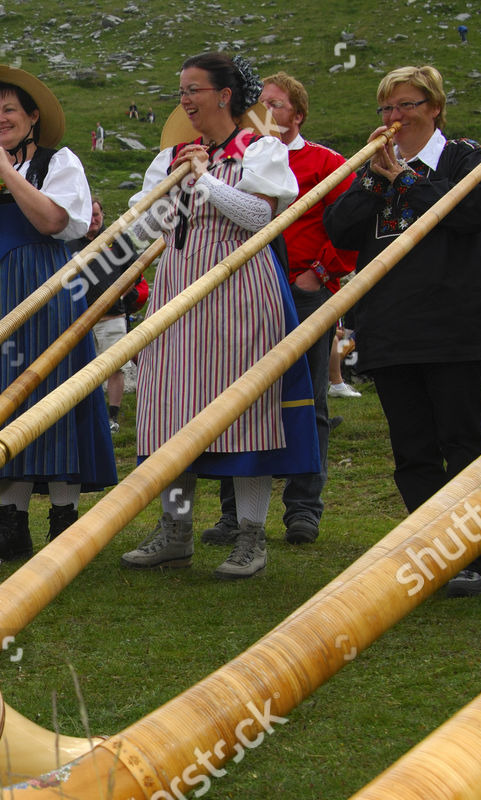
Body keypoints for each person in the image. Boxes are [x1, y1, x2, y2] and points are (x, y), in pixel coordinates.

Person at [120, 52, 313, 581]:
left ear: (225, 96)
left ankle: (251, 537)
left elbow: (260, 217)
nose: (185, 99)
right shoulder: (171, 157)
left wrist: (204, 180)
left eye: (195, 89)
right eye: (181, 89)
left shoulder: (261, 148)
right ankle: (176, 532)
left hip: (239, 292)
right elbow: (146, 230)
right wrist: (168, 187)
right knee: (172, 408)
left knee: (244, 413)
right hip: (177, 291)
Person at [325, 65, 481, 597]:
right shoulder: (376, 168)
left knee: (462, 442)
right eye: (385, 108)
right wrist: (372, 176)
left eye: (405, 105)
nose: (394, 118)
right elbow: (340, 228)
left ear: (433, 107)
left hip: (454, 330)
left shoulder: (465, 156)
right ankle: (432, 550)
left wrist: (404, 179)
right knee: (412, 449)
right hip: (390, 329)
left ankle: (474, 555)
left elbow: (472, 212)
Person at [0, 65, 118, 561]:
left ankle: (64, 518)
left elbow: (56, 220)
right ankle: (12, 520)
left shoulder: (60, 162)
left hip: (43, 284)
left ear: (33, 118)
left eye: (9, 111)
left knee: (49, 386)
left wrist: (7, 171)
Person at [204, 71, 359, 549]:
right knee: (237, 398)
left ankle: (303, 508)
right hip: (243, 292)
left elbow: (347, 226)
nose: (269, 113)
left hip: (299, 290)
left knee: (307, 396)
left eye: (279, 105)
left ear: (299, 113)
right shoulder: (238, 157)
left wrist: (319, 271)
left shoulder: (327, 161)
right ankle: (234, 515)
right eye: (262, 105)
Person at [67, 197, 147, 432]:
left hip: (112, 315)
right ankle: (85, 416)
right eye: (89, 215)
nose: (94, 220)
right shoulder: (69, 243)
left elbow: (136, 267)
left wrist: (125, 290)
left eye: (97, 215)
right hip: (79, 319)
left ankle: (112, 417)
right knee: (81, 368)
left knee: (115, 367)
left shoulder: (117, 239)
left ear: (102, 215)